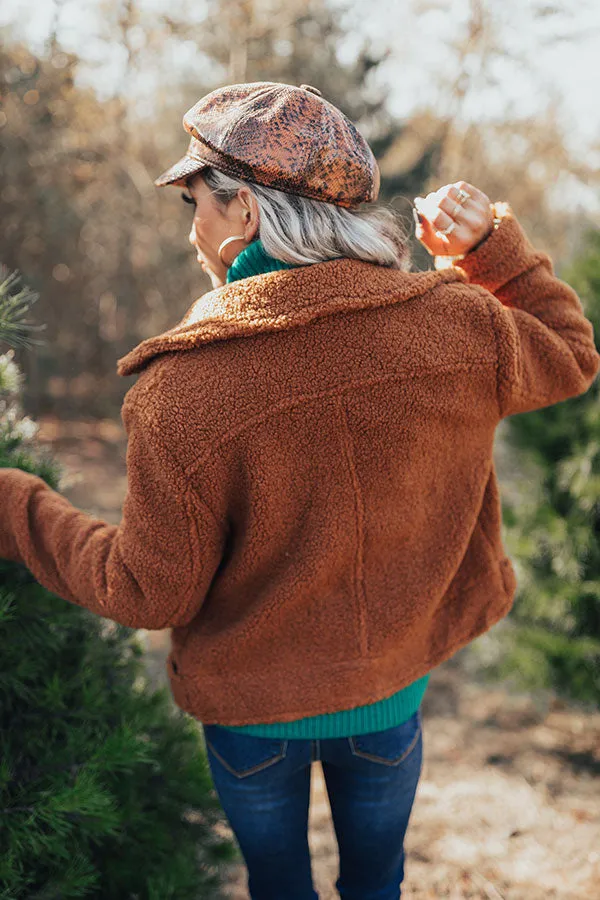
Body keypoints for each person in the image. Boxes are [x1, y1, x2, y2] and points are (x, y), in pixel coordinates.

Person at [1, 82, 598, 900]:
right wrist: (489, 247)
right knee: (377, 882)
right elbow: (571, 351)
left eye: (197, 205)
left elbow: (148, 589)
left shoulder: (182, 389)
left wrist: (15, 501)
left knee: (278, 887)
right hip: (390, 689)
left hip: (253, 718)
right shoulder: (459, 323)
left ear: (245, 212)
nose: (192, 231)